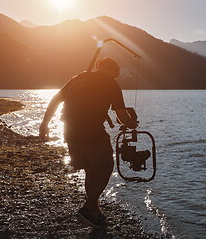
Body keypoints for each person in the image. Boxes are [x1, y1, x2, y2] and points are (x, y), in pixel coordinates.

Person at [39, 57, 137, 228]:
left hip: (69, 132)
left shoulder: (78, 78)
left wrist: (44, 124)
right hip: (91, 132)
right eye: (116, 72)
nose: (116, 75)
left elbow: (56, 99)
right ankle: (88, 207)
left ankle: (94, 212)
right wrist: (131, 124)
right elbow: (121, 115)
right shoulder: (111, 83)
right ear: (114, 70)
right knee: (106, 168)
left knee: (91, 170)